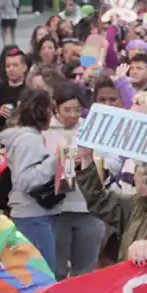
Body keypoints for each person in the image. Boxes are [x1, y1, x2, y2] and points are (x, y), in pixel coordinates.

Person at [0, 90, 65, 271]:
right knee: (42, 273)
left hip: (35, 214)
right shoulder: (28, 140)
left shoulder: (28, 137)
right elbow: (25, 180)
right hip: (33, 215)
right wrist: (54, 162)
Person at [44, 81, 107, 278]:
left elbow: (111, 160)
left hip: (88, 207)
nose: (72, 115)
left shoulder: (91, 129)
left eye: (77, 109)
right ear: (56, 106)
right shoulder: (45, 130)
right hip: (58, 209)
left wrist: (93, 161)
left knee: (86, 270)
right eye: (67, 110)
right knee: (56, 269)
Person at [0, 47, 29, 133]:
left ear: (24, 67)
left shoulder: (31, 89)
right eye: (8, 66)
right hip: (1, 136)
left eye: (15, 65)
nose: (11, 69)